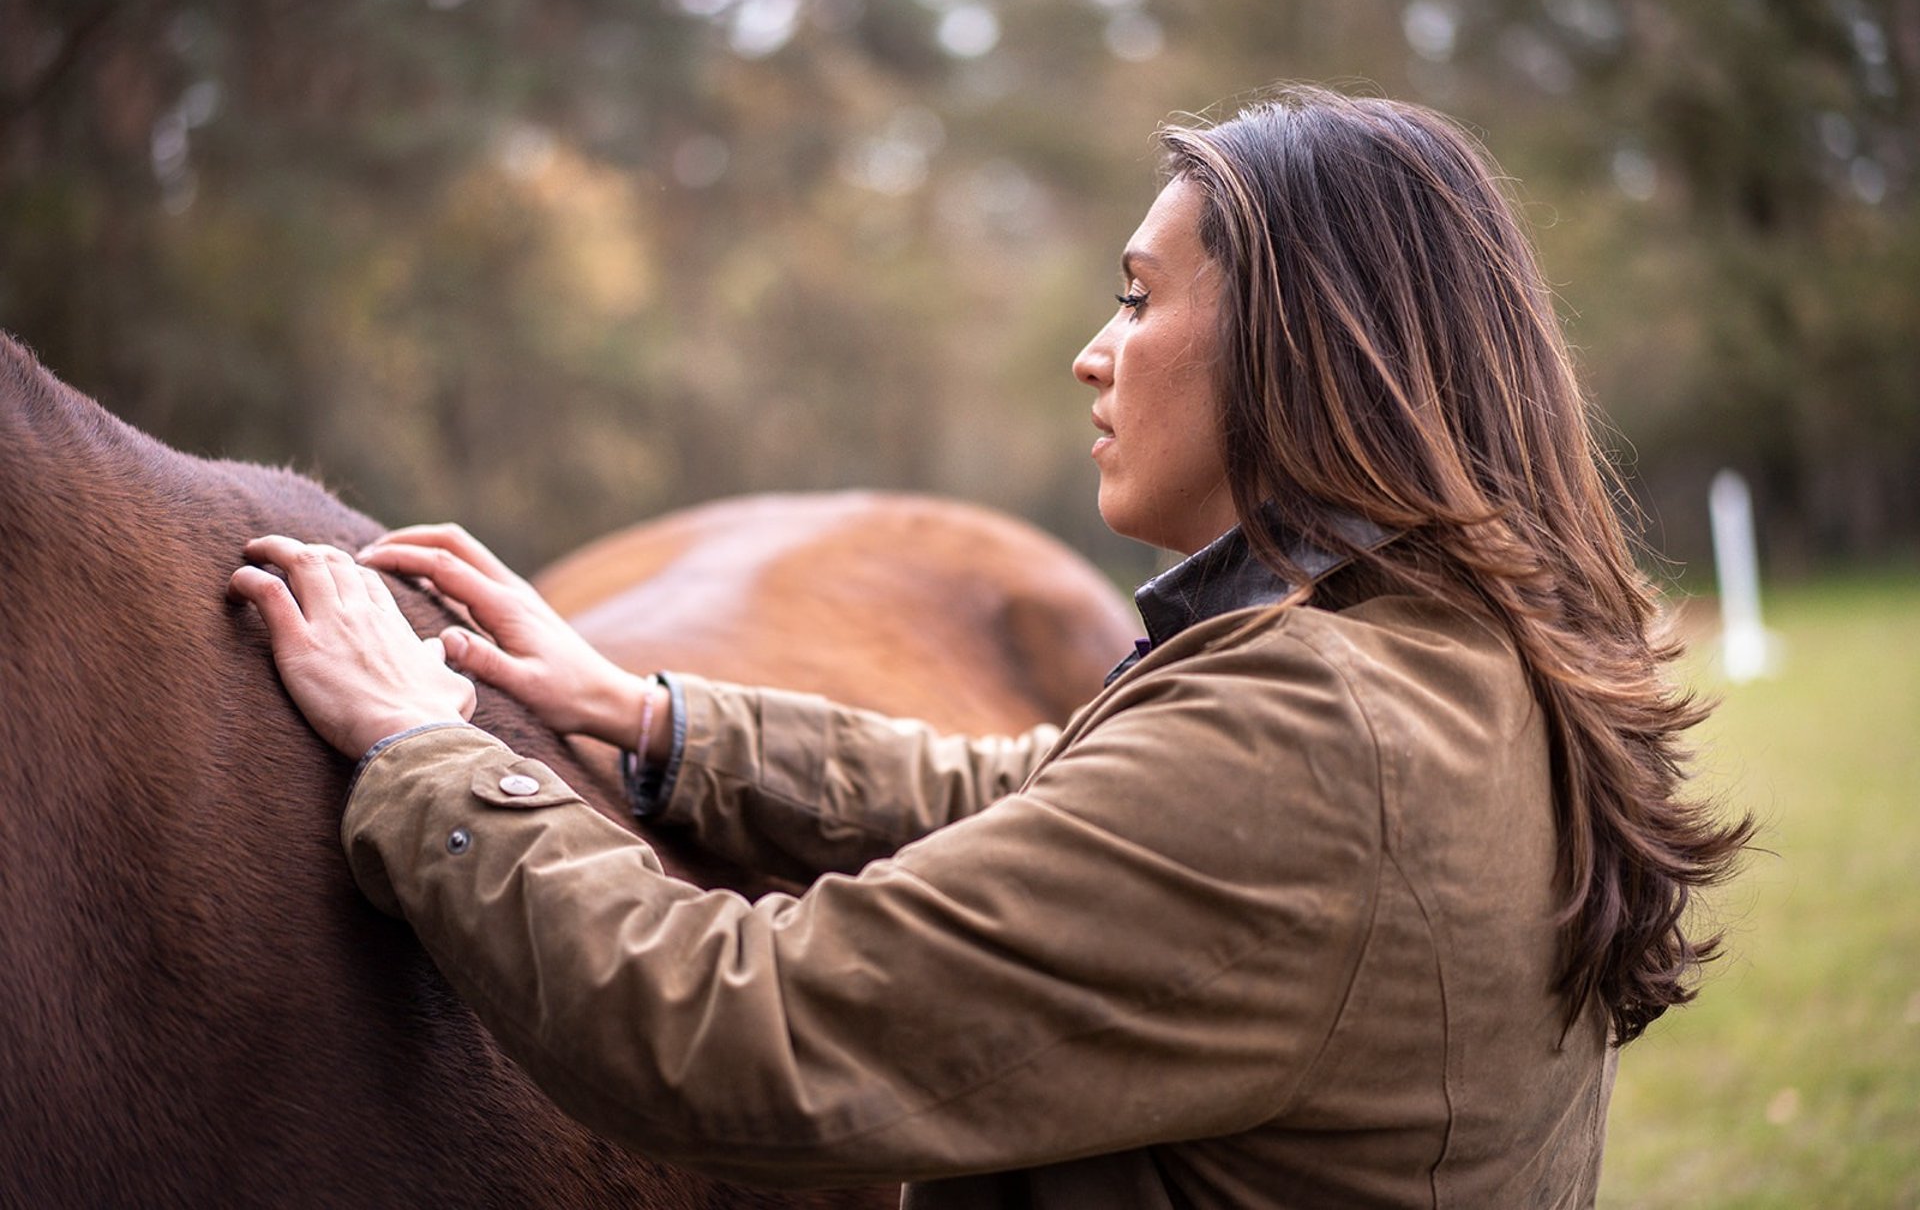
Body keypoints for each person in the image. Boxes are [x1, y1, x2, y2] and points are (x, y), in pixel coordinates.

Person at [228, 86, 1750, 1207]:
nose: (1094, 348)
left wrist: (425, 753)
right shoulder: (1448, 653)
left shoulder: (1316, 737)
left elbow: (747, 1030)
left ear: (1310, 345)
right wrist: (652, 719)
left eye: (1141, 297)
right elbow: (1049, 797)